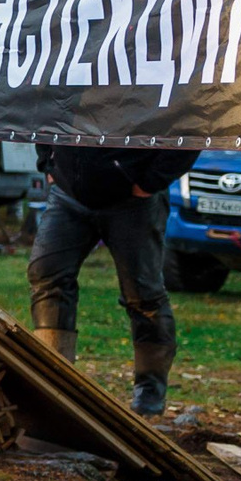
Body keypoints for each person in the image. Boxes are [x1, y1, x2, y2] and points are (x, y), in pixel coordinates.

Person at [28, 144, 199, 416]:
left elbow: (190, 127)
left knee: (144, 295)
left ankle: (149, 396)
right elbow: (48, 105)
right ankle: (54, 380)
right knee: (47, 275)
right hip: (68, 192)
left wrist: (150, 181)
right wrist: (48, 162)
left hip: (135, 199)